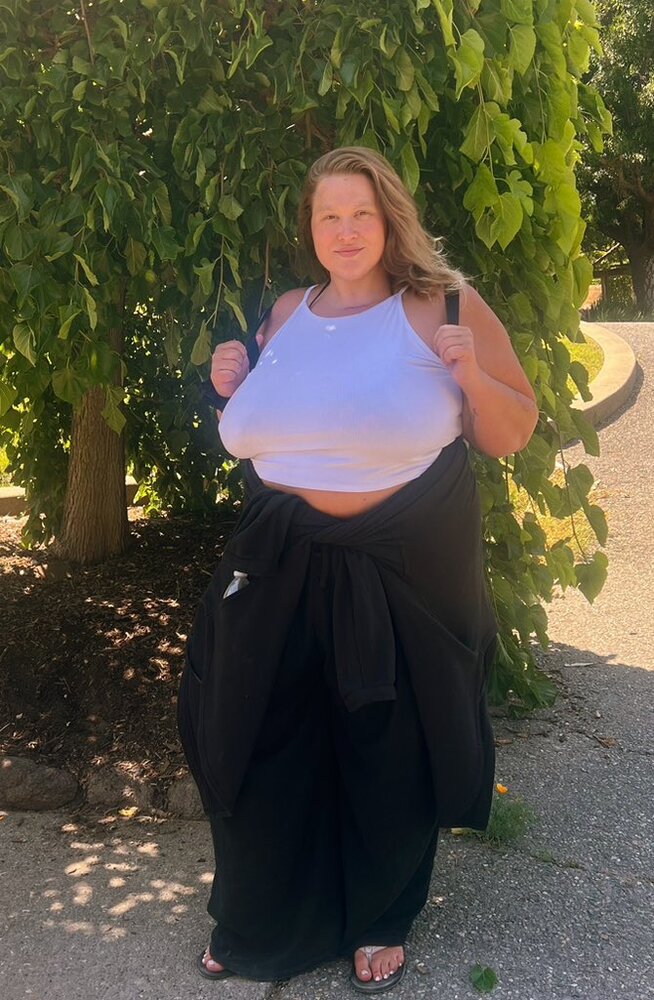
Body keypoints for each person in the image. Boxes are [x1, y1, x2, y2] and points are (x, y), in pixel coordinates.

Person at [178, 146, 538, 993]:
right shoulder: (286, 312)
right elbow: (291, 422)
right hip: (279, 562)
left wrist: (470, 373)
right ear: (311, 227)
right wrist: (233, 388)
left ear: (390, 220)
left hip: (400, 567)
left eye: (361, 214)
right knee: (261, 731)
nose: (345, 231)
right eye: (329, 215)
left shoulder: (442, 303)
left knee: (386, 743)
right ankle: (259, 917)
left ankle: (381, 915)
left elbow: (511, 430)